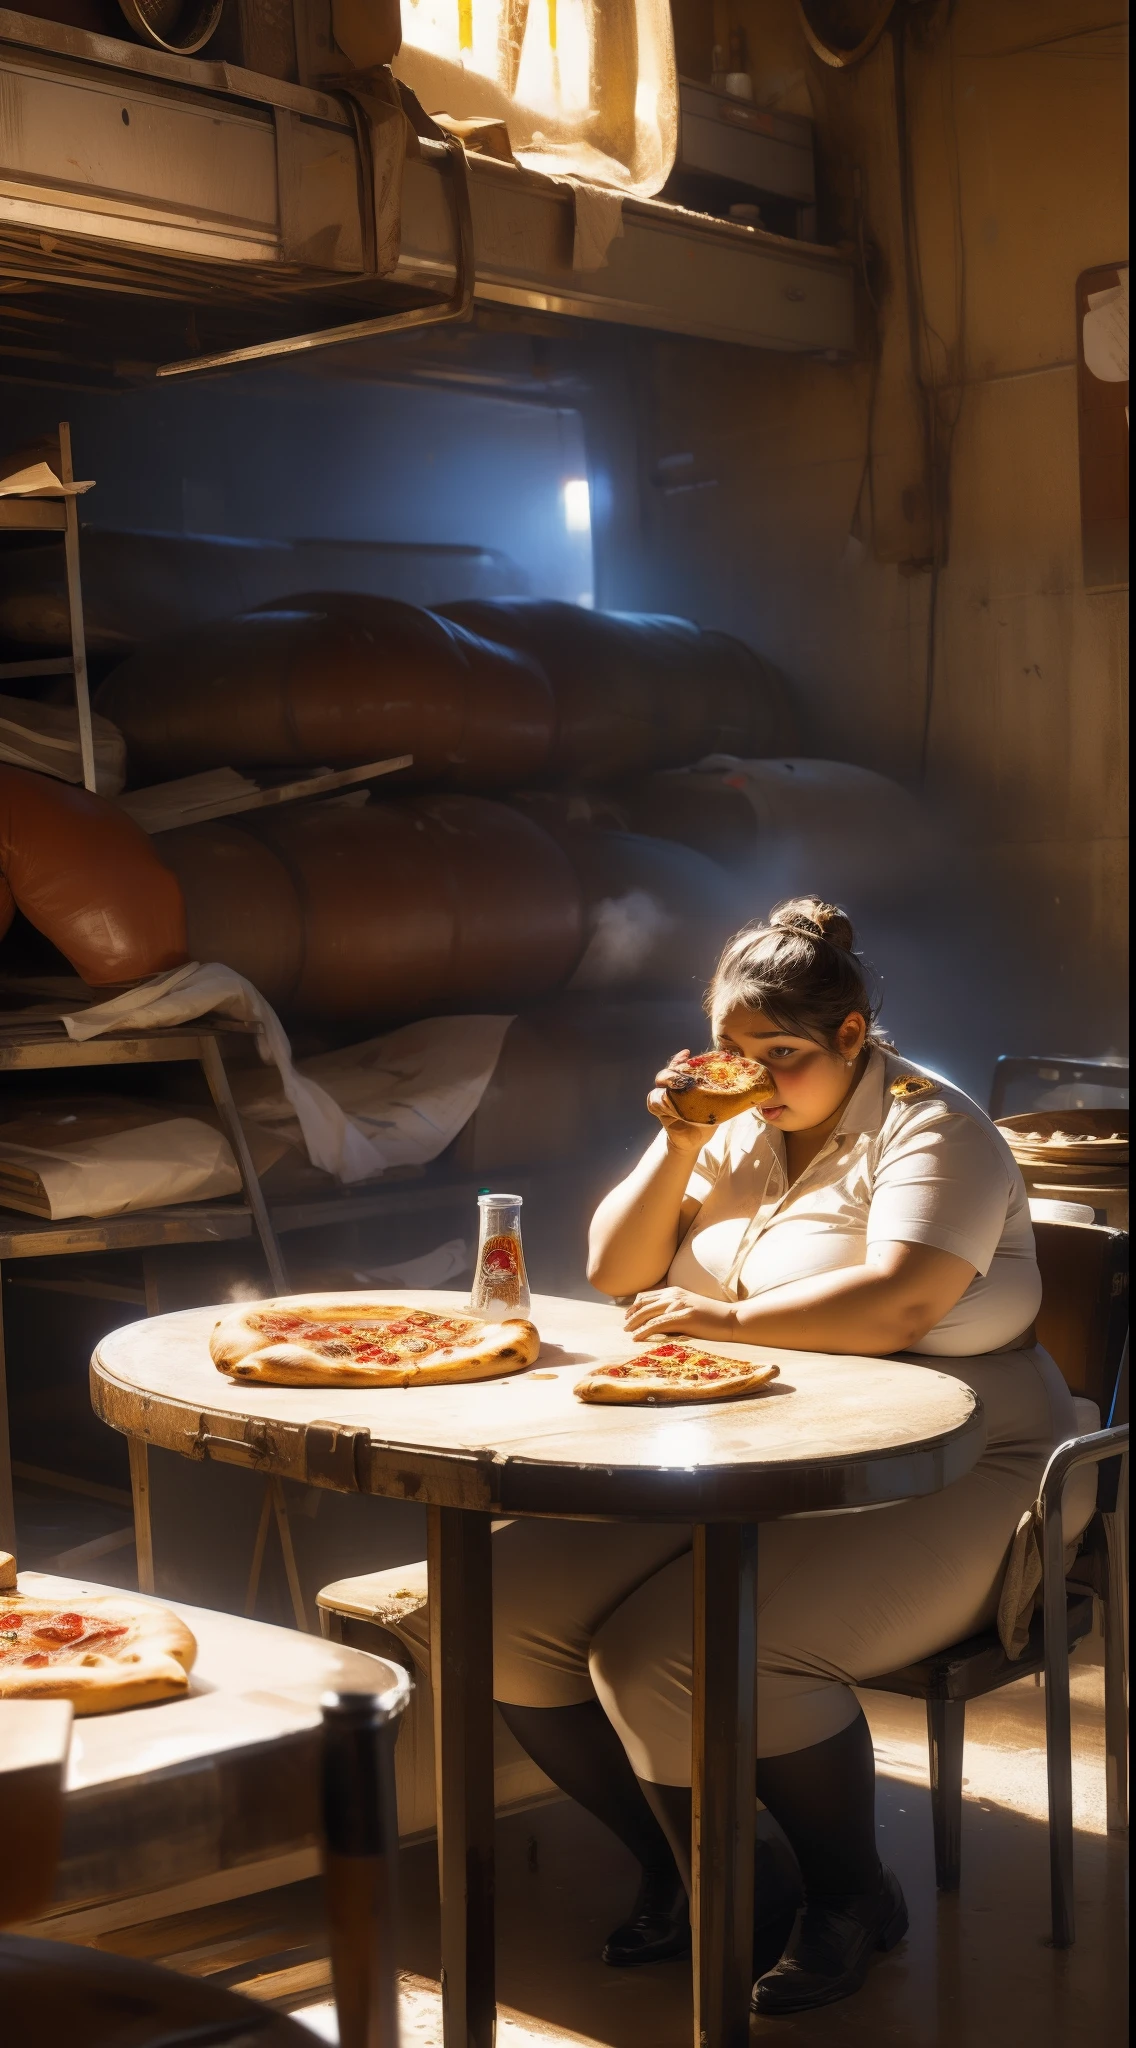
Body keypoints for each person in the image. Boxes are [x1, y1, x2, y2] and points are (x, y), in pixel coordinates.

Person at [396, 897, 1076, 2015]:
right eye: (733, 1050)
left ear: (852, 1037)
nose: (755, 1077)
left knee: (680, 1651)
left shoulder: (930, 1123)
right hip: (754, 1435)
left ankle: (851, 1895)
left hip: (955, 1450)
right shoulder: (734, 1119)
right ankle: (705, 1862)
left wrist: (722, 1324)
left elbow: (900, 1300)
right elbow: (617, 1266)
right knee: (498, 1606)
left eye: (784, 1055)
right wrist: (675, 1145)